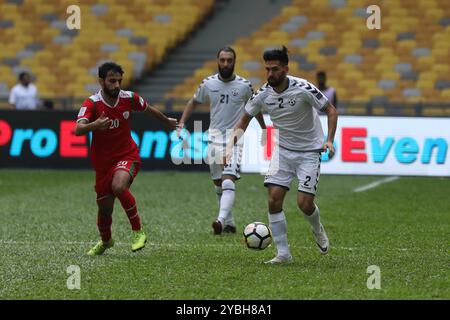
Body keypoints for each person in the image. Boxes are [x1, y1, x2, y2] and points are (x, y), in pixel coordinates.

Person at [226, 46, 338, 264]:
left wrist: (330, 140)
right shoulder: (262, 94)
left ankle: (318, 229)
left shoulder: (304, 88)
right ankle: (283, 254)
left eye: (274, 69)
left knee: (304, 204)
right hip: (282, 152)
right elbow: (243, 120)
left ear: (286, 69)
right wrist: (229, 147)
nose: (270, 74)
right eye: (267, 69)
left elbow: (331, 110)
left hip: (309, 152)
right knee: (274, 200)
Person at [75, 62, 177, 255]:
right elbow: (78, 129)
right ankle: (106, 241)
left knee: (119, 186)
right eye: (112, 81)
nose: (116, 85)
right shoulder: (92, 103)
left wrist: (166, 121)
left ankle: (138, 232)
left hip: (127, 155)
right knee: (104, 209)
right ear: (101, 81)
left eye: (119, 81)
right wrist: (95, 125)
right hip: (103, 164)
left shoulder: (129, 98)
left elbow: (148, 109)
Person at [178, 46, 266, 235]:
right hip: (213, 139)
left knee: (228, 181)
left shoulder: (244, 86)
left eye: (229, 60)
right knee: (218, 183)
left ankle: (220, 219)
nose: (226, 63)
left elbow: (254, 108)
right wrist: (182, 123)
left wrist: (264, 129)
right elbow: (193, 102)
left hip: (234, 139)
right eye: (223, 60)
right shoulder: (208, 84)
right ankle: (230, 223)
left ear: (235, 62)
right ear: (217, 61)